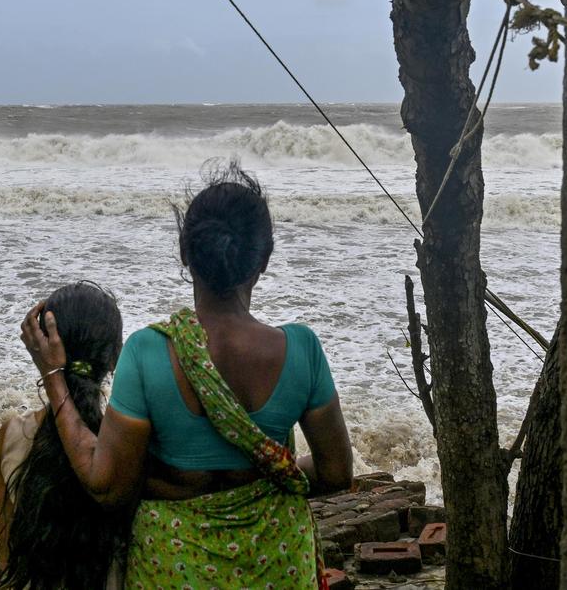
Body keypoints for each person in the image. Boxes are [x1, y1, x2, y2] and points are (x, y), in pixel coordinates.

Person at [21, 161, 353, 589]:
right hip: (277, 564)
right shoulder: (302, 351)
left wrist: (53, 374)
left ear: (185, 254)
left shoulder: (148, 352)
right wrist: (264, 475)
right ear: (264, 260)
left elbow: (106, 486)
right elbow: (335, 473)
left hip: (174, 568)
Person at [0, 281, 128, 589]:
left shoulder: (13, 434)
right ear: (114, 359)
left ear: (41, 350)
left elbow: (5, 556)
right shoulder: (129, 447)